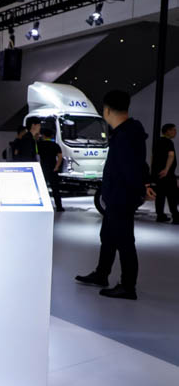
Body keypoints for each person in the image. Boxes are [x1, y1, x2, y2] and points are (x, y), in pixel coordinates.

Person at [75, 90, 154, 300]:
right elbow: (139, 164)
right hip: (117, 197)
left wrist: (140, 190)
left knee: (124, 242)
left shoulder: (125, 136)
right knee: (108, 237)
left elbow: (131, 169)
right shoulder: (128, 132)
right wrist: (144, 184)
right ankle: (101, 274)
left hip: (122, 198)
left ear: (107, 110)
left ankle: (128, 286)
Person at [151, 123, 178, 224]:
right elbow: (171, 155)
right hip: (167, 174)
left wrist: (153, 172)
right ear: (167, 131)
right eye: (173, 130)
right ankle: (176, 216)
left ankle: (160, 215)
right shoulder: (168, 142)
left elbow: (153, 157)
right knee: (172, 195)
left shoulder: (158, 141)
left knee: (160, 195)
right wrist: (166, 169)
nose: (175, 132)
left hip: (158, 173)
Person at [37, 128, 64, 212]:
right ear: (51, 136)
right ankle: (59, 207)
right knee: (55, 189)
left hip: (43, 168)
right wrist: (57, 167)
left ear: (43, 135)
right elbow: (60, 157)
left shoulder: (39, 144)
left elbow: (36, 155)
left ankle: (42, 206)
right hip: (53, 168)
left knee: (42, 188)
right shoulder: (55, 145)